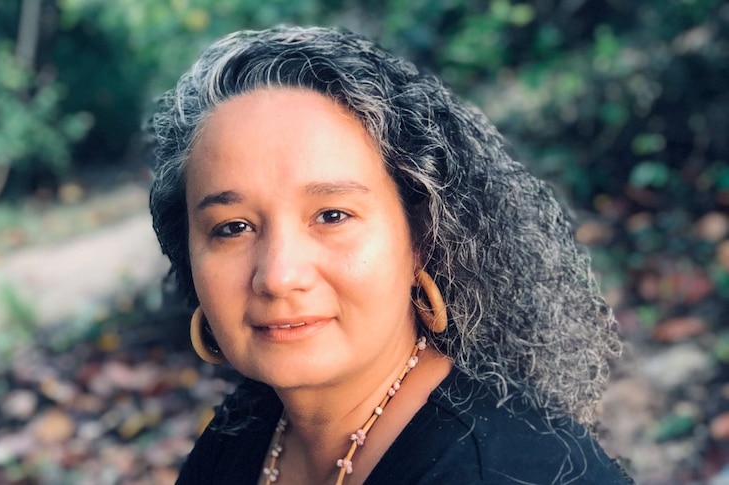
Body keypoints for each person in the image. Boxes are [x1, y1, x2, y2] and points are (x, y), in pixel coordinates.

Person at [146, 26, 632, 484]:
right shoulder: (241, 435)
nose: (278, 276)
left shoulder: (505, 470)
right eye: (233, 228)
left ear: (420, 235)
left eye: (332, 215)